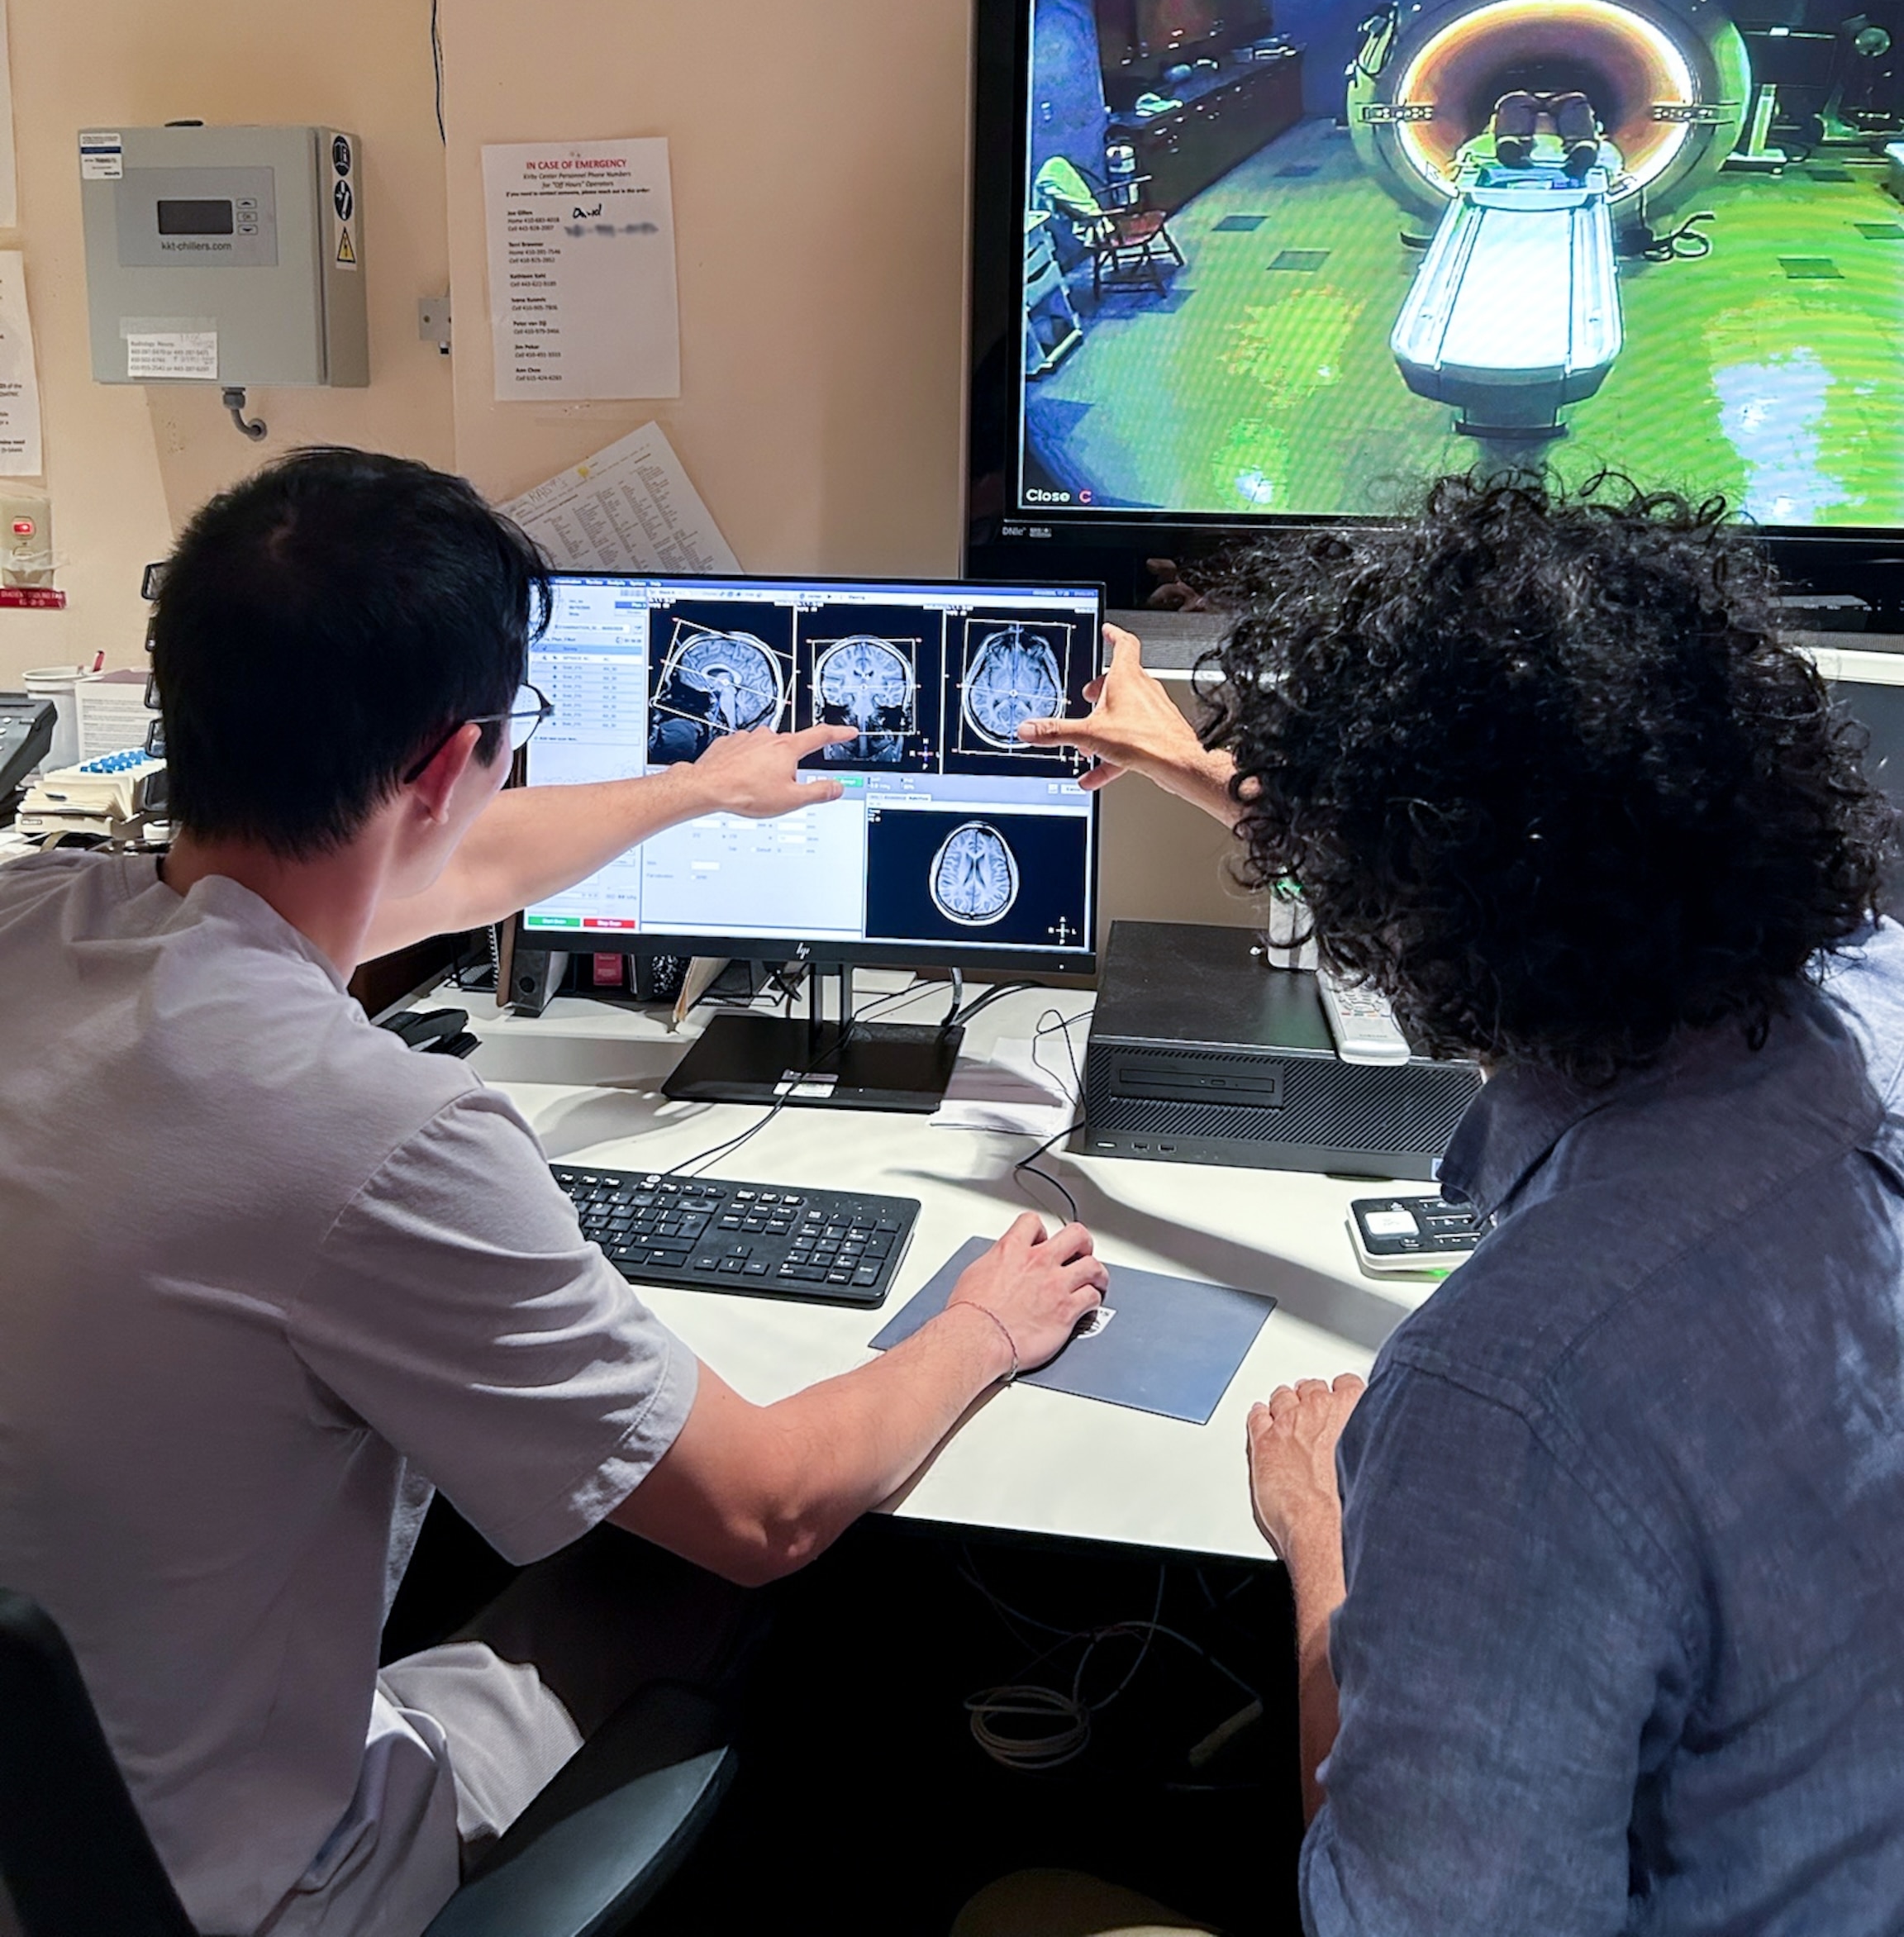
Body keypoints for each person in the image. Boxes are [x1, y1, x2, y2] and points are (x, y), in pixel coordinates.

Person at [0, 447, 1106, 1937]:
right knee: (714, 1591)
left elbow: (396, 880)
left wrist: (696, 790)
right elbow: (767, 1509)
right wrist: (983, 1322)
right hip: (260, 1893)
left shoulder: (33, 925)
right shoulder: (376, 1135)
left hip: (55, 1835)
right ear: (456, 762)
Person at [971, 472, 1904, 1935]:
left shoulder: (1511, 1400)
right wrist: (1198, 764)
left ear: (1402, 927)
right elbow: (1565, 828)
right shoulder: (1874, 986)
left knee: (1013, 1903)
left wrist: (1321, 1536)